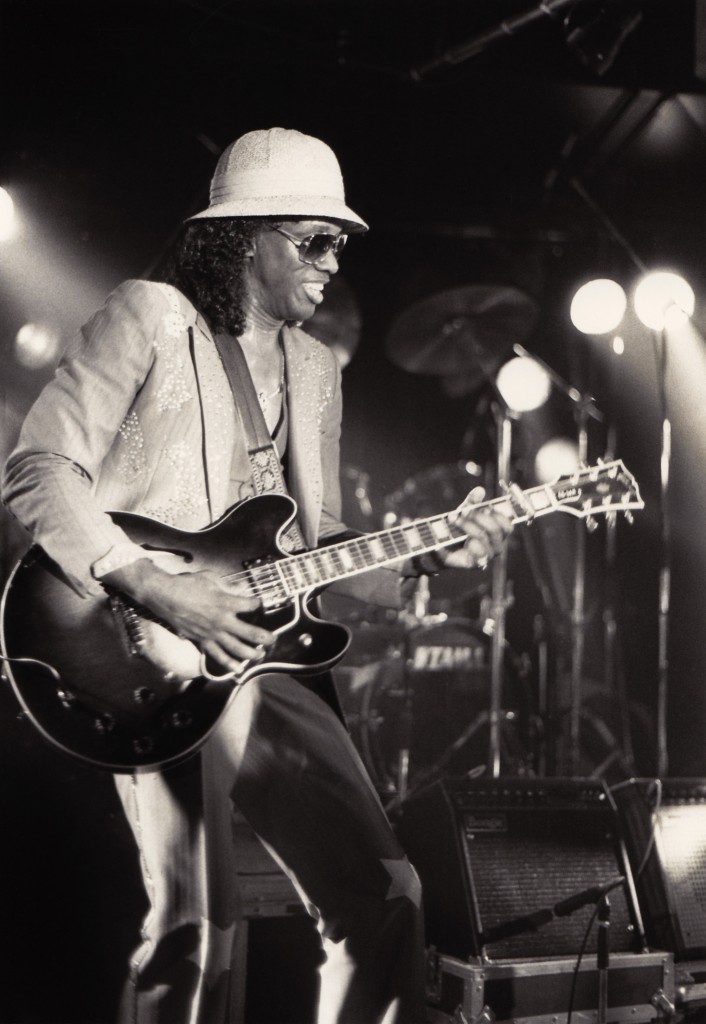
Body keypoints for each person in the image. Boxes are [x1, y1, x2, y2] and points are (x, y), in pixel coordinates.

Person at [1, 127, 512, 1024]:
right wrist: (154, 587)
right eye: (313, 241)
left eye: (340, 245)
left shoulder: (316, 370)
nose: (331, 263)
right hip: (141, 648)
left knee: (388, 892)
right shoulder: (150, 316)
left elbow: (311, 542)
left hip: (258, 656)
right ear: (243, 238)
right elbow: (38, 468)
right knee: (200, 926)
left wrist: (428, 551)